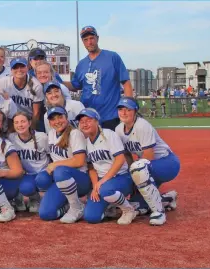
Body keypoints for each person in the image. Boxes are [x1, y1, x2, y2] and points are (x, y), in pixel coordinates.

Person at [115, 97, 179, 225]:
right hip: (148, 166)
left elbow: (148, 156)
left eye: (128, 109)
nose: (124, 113)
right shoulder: (119, 129)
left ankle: (159, 212)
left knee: (138, 168)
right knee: (137, 205)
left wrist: (135, 177)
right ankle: (167, 198)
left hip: (167, 163)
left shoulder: (142, 125)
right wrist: (130, 173)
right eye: (121, 109)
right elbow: (127, 155)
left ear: (135, 111)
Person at [25, 106, 91, 223]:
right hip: (61, 179)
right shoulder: (51, 134)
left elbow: (79, 160)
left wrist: (56, 165)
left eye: (60, 117)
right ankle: (67, 206)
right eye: (53, 119)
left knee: (60, 170)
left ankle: (76, 207)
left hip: (80, 179)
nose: (57, 121)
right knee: (46, 213)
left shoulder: (75, 133)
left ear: (66, 118)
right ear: (49, 122)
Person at [63, 26, 133, 130]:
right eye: (85, 40)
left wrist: (129, 107)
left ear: (97, 38)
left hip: (111, 116)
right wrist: (57, 81)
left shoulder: (112, 57)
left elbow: (126, 83)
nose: (89, 42)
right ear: (82, 42)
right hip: (88, 116)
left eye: (92, 38)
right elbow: (75, 85)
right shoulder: (81, 64)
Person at [76, 108, 137, 225]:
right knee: (91, 217)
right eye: (82, 122)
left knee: (106, 190)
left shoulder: (109, 134)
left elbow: (120, 160)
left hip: (121, 177)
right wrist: (95, 186)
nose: (85, 124)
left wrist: (102, 182)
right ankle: (112, 204)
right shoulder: (86, 142)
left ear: (97, 121)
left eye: (88, 120)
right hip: (102, 181)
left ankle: (128, 209)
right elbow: (91, 167)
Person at [9, 112, 49, 213]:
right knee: (26, 188)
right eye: (16, 122)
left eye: (23, 121)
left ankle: (50, 198)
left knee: (43, 180)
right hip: (27, 174)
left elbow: (52, 155)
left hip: (43, 172)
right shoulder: (11, 138)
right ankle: (33, 198)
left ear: (29, 123)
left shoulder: (42, 137)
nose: (20, 125)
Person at [0, 57, 44, 130]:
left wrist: (30, 131)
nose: (19, 70)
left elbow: (36, 113)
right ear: (11, 70)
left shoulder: (36, 85)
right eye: (15, 67)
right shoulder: (3, 82)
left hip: (28, 119)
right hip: (9, 119)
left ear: (27, 68)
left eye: (22, 66)